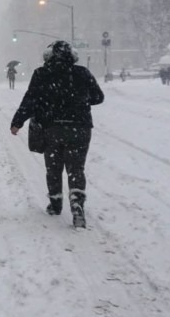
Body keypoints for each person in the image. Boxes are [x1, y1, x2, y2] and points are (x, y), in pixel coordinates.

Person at [10, 41, 103, 229]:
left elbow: (31, 100)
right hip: (80, 128)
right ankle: (77, 206)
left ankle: (55, 203)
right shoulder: (82, 73)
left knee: (53, 167)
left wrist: (17, 122)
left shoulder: (41, 74)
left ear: (48, 56)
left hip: (52, 128)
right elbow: (98, 97)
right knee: (76, 169)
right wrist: (78, 101)